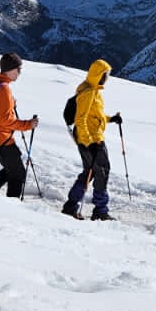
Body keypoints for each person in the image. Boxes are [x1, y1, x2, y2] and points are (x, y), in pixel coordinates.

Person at [62, 58, 120, 220]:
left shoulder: (94, 91)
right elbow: (81, 119)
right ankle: (100, 210)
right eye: (106, 74)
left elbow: (95, 117)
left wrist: (111, 119)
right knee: (101, 172)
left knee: (91, 172)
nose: (107, 77)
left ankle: (71, 206)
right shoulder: (88, 93)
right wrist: (89, 143)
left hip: (93, 138)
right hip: (91, 140)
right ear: (99, 75)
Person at [0, 53, 38, 198]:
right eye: (19, 69)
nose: (19, 73)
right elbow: (6, 121)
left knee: (12, 169)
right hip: (1, 138)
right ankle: (12, 207)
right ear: (11, 70)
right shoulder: (4, 89)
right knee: (18, 174)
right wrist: (28, 124)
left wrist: (9, 105)